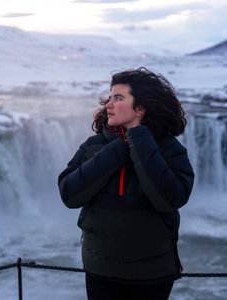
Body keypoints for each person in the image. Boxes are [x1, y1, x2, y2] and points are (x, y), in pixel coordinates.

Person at [58, 67, 194, 300]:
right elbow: (70, 194)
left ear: (140, 107)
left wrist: (138, 138)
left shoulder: (169, 149)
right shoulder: (93, 146)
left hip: (152, 273)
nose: (108, 104)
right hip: (100, 270)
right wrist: (120, 146)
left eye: (118, 98)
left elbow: (170, 199)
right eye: (110, 98)